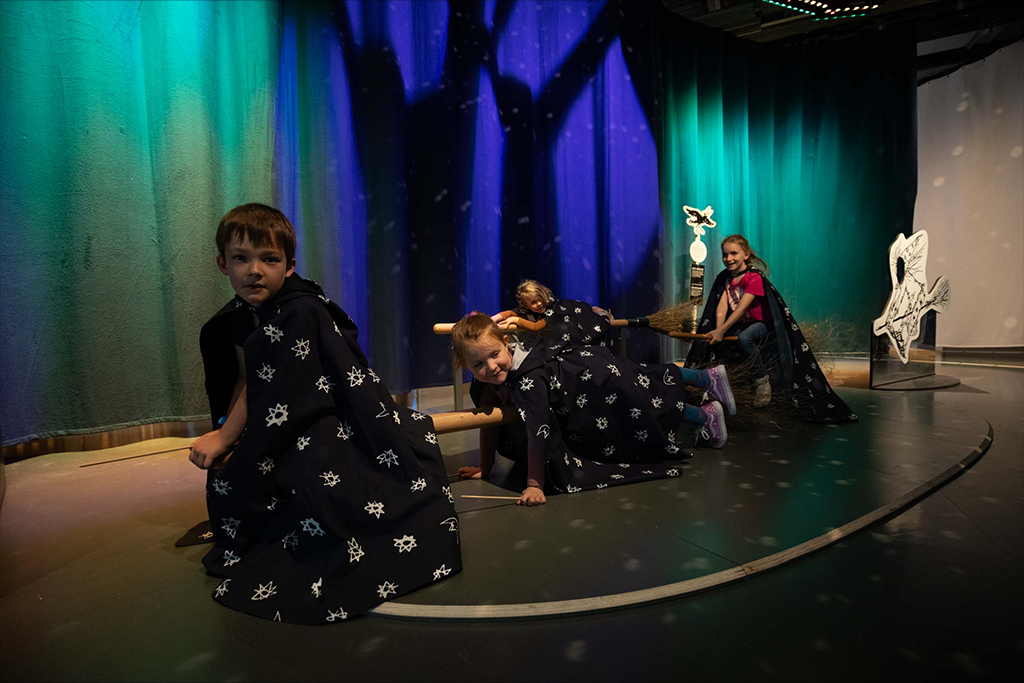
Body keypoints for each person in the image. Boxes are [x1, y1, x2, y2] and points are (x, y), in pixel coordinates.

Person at [189, 203, 461, 624]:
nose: (254, 270)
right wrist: (229, 431)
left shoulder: (300, 310)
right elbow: (250, 378)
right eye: (241, 258)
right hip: (283, 410)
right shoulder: (244, 315)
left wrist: (227, 439)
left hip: (330, 411)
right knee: (239, 471)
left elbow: (284, 380)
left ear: (290, 266)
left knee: (315, 475)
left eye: (269, 259)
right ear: (222, 263)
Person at [451, 313, 735, 506]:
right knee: (646, 394)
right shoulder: (484, 385)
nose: (490, 367)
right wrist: (485, 468)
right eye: (478, 365)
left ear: (506, 344)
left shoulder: (528, 382)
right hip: (588, 392)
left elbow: (539, 431)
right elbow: (488, 421)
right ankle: (706, 408)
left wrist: (535, 483)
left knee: (647, 399)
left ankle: (705, 396)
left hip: (599, 380)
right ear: (465, 367)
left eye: (494, 355)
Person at [686, 235, 857, 423]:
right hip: (741, 323)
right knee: (723, 345)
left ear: (746, 254)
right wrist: (719, 330)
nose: (728, 258)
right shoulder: (725, 279)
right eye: (725, 254)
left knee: (744, 339)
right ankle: (730, 384)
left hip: (760, 324)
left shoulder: (754, 277)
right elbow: (722, 307)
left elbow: (742, 307)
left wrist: (722, 329)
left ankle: (762, 380)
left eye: (734, 253)